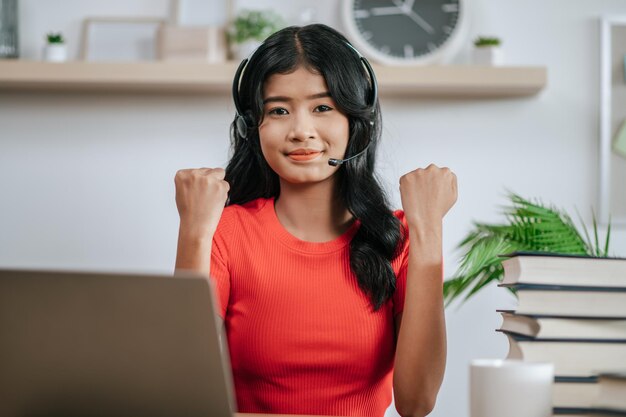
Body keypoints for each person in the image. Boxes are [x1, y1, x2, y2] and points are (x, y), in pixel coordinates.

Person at [174, 23, 457, 417]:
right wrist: (192, 232)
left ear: (355, 122)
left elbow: (416, 403)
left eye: (323, 107)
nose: (301, 131)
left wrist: (428, 231)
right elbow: (185, 391)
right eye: (279, 110)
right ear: (253, 125)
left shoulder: (400, 237)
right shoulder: (224, 232)